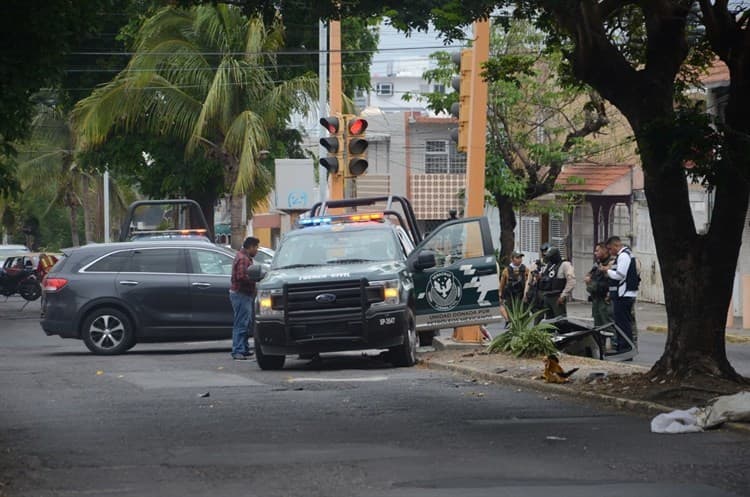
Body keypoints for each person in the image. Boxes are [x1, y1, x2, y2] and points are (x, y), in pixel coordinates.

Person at [602, 236, 638, 353]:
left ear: (616, 246)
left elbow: (620, 275)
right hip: (622, 294)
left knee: (623, 324)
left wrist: (606, 271)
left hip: (624, 295)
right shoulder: (623, 255)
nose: (610, 251)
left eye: (610, 248)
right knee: (621, 323)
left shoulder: (623, 256)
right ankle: (623, 347)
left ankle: (625, 348)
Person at [229, 236, 260, 360]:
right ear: (251, 247)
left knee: (246, 323)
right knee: (241, 323)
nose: (257, 250)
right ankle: (238, 350)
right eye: (256, 247)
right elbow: (241, 277)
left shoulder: (245, 257)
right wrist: (255, 281)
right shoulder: (243, 259)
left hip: (243, 294)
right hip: (241, 294)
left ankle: (244, 348)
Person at [537, 246, 575, 319]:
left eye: (550, 257)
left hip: (557, 297)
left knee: (560, 321)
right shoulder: (549, 265)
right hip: (547, 296)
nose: (549, 259)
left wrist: (563, 295)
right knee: (548, 322)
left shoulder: (565, 265)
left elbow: (571, 281)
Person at [585, 242, 613, 327]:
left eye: (597, 250)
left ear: (604, 250)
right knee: (597, 328)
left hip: (605, 300)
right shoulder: (598, 264)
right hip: (596, 299)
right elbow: (590, 275)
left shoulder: (611, 263)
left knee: (609, 327)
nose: (595, 253)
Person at [499, 251, 530, 321]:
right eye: (517, 257)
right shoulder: (506, 271)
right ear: (512, 259)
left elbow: (529, 282)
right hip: (510, 297)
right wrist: (500, 295)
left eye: (521, 257)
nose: (520, 259)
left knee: (523, 315)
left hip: (521, 296)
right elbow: (502, 285)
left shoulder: (525, 269)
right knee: (511, 316)